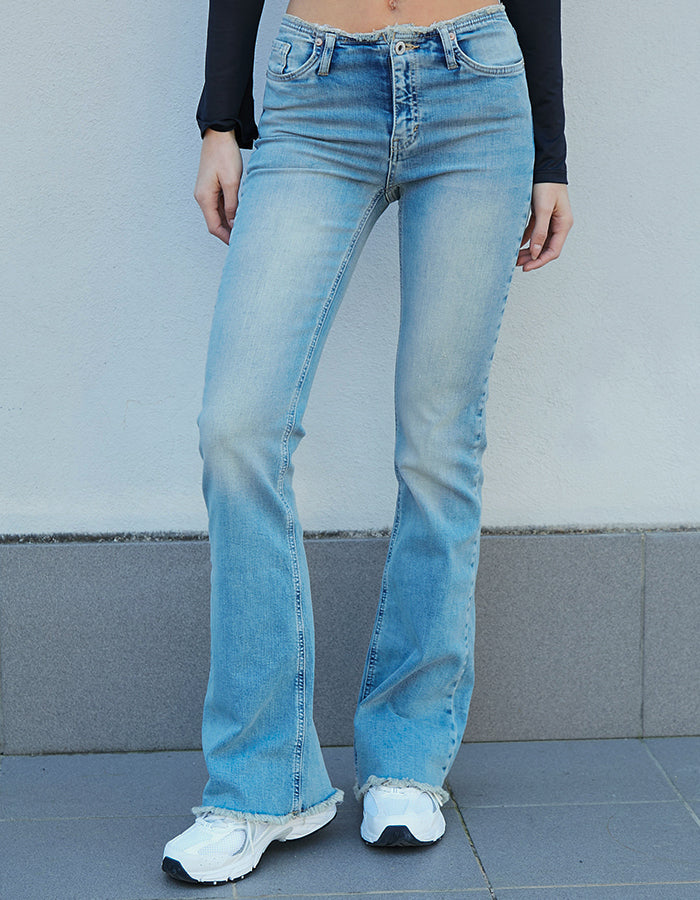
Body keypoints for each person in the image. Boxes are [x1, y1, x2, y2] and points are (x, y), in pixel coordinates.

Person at [163, 0, 573, 885]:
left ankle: (408, 760)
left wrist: (552, 156)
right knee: (238, 428)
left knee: (437, 442)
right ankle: (262, 785)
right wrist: (220, 121)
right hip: (316, 92)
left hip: (476, 89)